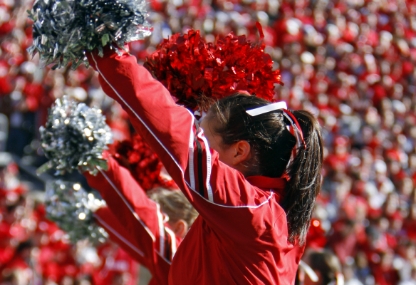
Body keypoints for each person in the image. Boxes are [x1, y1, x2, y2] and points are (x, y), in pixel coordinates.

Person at [85, 39, 323, 284]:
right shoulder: (264, 215)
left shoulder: (251, 211)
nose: (200, 141)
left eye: (204, 137)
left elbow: (176, 136)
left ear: (240, 151)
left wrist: (107, 54)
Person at [84, 155, 197, 285]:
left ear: (178, 228)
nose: (155, 222)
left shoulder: (181, 265)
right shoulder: (170, 264)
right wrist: (95, 213)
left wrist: (94, 155)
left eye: (162, 219)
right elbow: (130, 234)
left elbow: (141, 212)